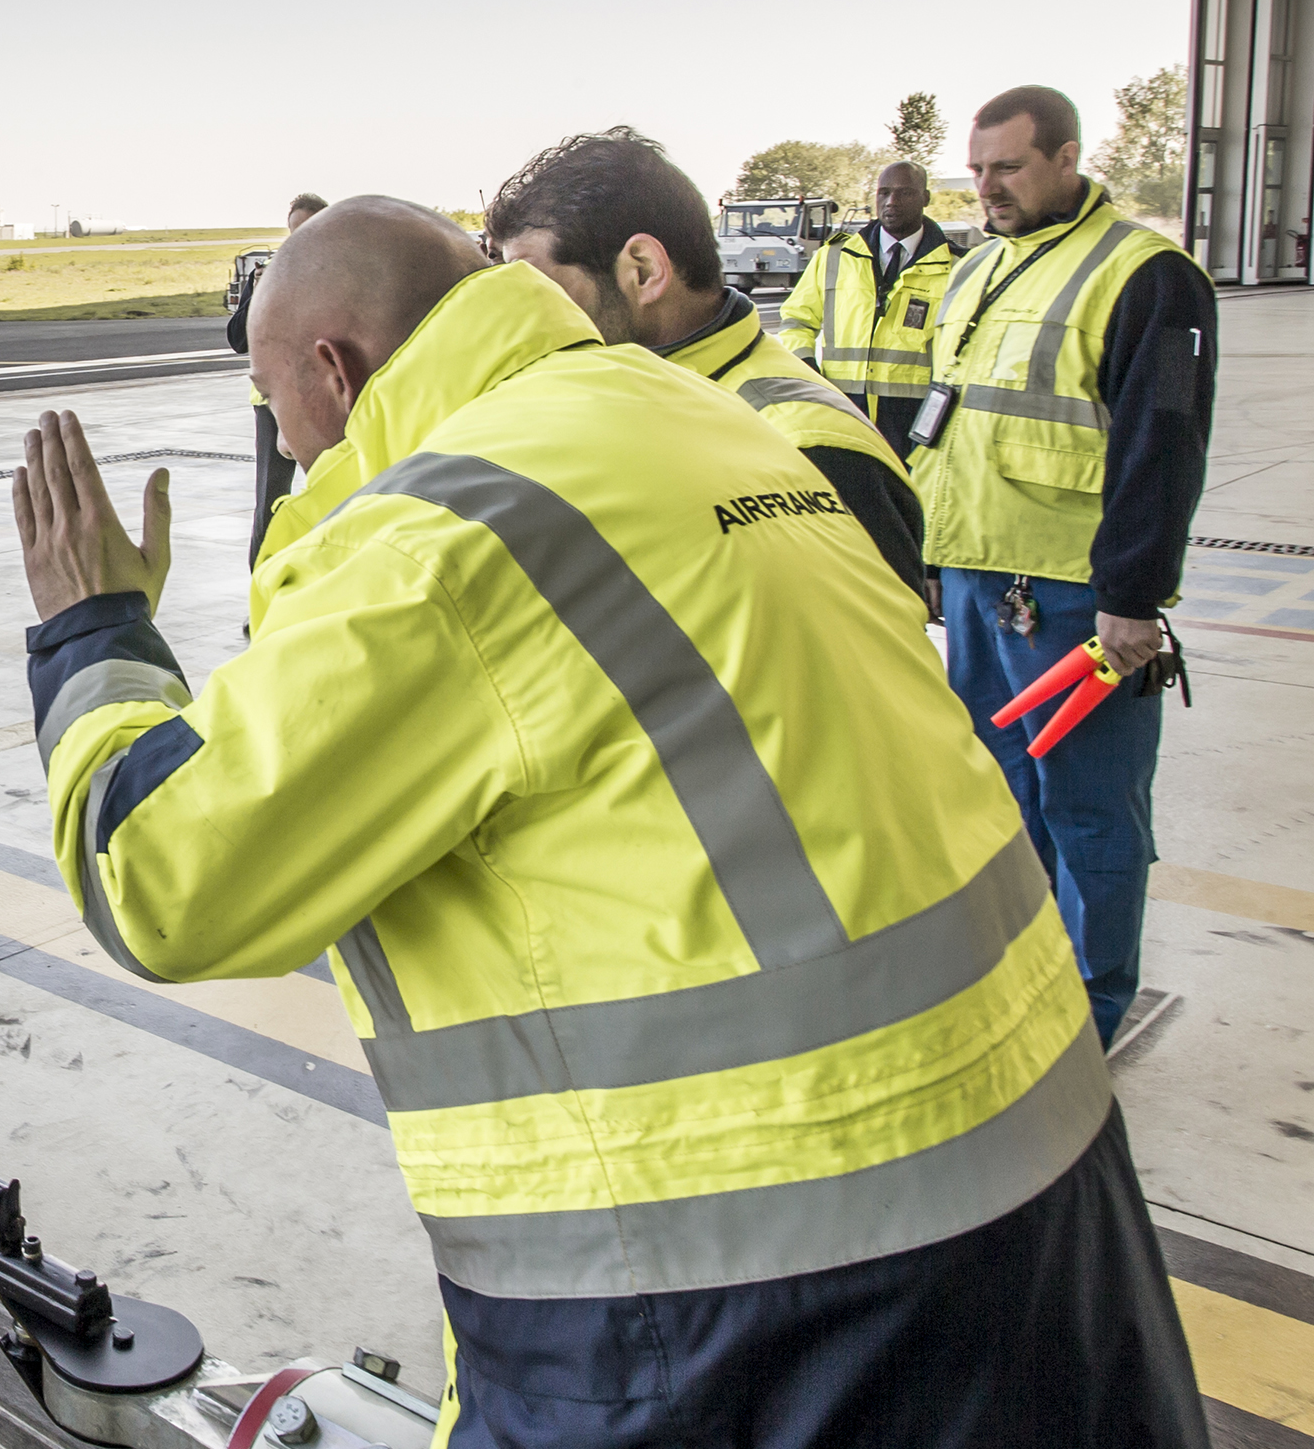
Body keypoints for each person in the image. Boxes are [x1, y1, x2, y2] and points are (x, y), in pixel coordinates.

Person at [11, 197, 1227, 1449]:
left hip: (744, 1304)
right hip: (1042, 1192)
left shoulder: (442, 536)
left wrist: (92, 628)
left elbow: (165, 880)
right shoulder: (706, 419)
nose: (282, 445)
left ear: (338, 372)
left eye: (275, 403)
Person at [924, 84, 1216, 1047]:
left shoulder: (1149, 278)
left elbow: (1161, 446)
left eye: (1006, 167)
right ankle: (1025, 971)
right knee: (1004, 799)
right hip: (976, 583)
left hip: (1075, 600)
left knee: (1090, 811)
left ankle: (1091, 1007)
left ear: (1067, 157)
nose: (986, 188)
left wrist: (1131, 597)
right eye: (975, 170)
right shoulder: (979, 269)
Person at [484, 128, 927, 604]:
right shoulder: (617, 390)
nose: (524, 313)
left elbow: (866, 665)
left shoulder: (809, 449)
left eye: (537, 285)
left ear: (644, 270)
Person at [778, 161, 968, 454]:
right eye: (884, 192)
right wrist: (807, 369)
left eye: (904, 193)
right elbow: (796, 320)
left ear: (925, 199)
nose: (891, 202)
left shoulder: (958, 267)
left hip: (916, 419)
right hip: (842, 408)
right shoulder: (834, 256)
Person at [227, 191, 329, 565]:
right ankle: (262, 598)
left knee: (332, 489)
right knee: (270, 500)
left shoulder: (337, 275)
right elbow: (238, 339)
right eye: (293, 234)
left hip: (324, 398)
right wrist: (260, 292)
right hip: (273, 402)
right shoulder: (271, 276)